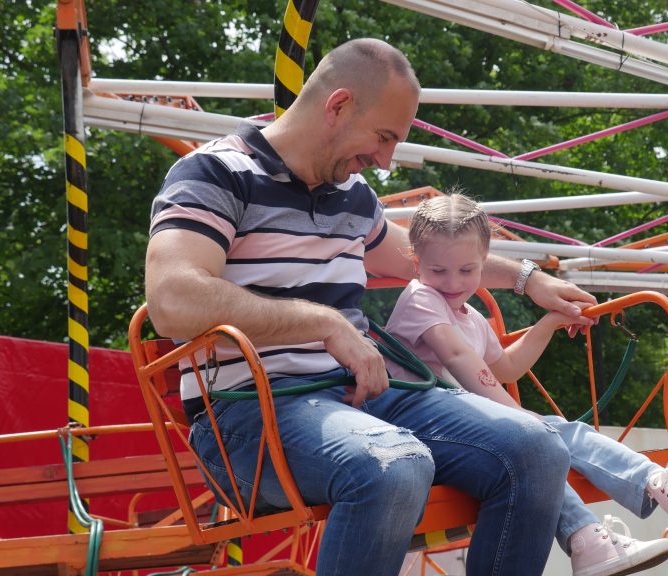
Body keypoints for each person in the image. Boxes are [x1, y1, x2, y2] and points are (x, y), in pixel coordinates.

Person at [145, 38, 601, 576]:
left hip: (365, 400)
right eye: (384, 137)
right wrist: (323, 323)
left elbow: (427, 258)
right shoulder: (215, 173)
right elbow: (172, 298)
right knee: (393, 464)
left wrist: (530, 280)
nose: (386, 160)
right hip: (251, 416)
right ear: (338, 105)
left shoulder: (353, 194)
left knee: (537, 448)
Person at [384, 192, 668, 576]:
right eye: (438, 270)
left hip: (469, 431)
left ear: (484, 260)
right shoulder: (421, 298)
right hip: (422, 428)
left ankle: (653, 483)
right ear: (416, 263)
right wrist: (519, 419)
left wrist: (549, 324)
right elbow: (458, 357)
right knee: (538, 439)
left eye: (466, 270)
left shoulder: (472, 318)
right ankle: (589, 538)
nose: (452, 282)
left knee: (563, 432)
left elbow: (507, 368)